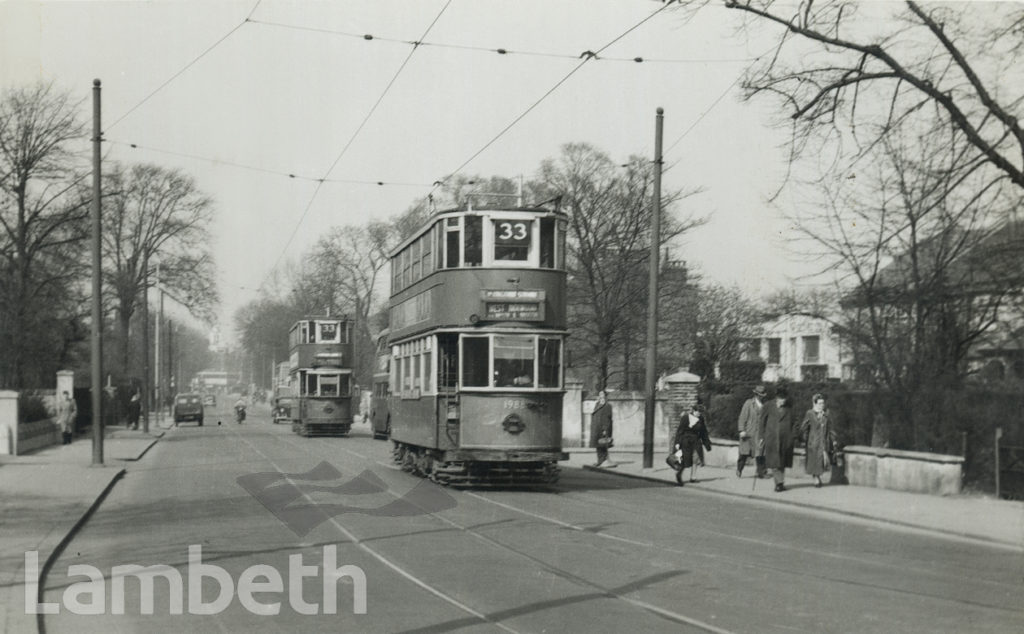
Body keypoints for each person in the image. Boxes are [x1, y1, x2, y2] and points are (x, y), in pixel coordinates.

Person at [759, 386, 795, 492]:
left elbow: (795, 422)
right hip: (772, 438)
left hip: (785, 439)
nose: (783, 401)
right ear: (776, 398)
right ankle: (779, 483)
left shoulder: (789, 407)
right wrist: (761, 437)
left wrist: (793, 435)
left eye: (785, 399)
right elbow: (762, 422)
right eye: (781, 398)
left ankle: (780, 482)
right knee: (775, 462)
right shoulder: (768, 406)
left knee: (782, 462)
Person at [800, 393, 838, 488]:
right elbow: (803, 427)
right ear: (815, 404)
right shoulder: (810, 413)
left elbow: (831, 428)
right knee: (814, 461)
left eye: (823, 403)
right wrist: (805, 438)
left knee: (821, 462)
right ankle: (816, 478)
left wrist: (834, 440)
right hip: (813, 442)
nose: (822, 405)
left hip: (823, 442)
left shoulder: (826, 414)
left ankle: (817, 477)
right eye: (820, 403)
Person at [673, 403, 712, 484]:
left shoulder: (701, 419)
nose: (699, 414)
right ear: (694, 411)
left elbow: (703, 432)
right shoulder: (686, 418)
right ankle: (679, 474)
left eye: (701, 413)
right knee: (685, 459)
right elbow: (680, 431)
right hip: (686, 441)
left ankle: (693, 477)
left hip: (696, 441)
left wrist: (706, 443)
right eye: (698, 412)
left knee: (696, 458)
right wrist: (677, 442)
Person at [736, 384, 767, 478]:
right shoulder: (749, 403)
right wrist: (741, 430)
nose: (761, 397)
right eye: (760, 395)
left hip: (759, 433)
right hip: (748, 432)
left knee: (760, 453)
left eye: (762, 396)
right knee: (744, 453)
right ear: (756, 395)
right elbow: (742, 417)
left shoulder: (764, 406)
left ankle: (761, 472)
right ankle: (739, 469)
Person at [590, 390, 616, 468]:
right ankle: (599, 461)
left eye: (602, 394)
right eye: (600, 394)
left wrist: (605, 429)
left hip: (603, 428)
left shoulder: (607, 406)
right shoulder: (597, 404)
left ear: (605, 396)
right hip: (596, 428)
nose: (601, 395)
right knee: (598, 445)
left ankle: (604, 460)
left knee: (603, 444)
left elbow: (607, 418)